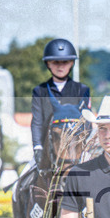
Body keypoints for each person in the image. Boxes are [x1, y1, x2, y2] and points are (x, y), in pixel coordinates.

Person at [31, 38, 91, 173]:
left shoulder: (82, 90)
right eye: (55, 62)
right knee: (25, 173)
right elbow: (37, 122)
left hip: (76, 148)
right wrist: (37, 147)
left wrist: (83, 145)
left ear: (71, 63)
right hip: (48, 149)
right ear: (48, 64)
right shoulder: (40, 91)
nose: (60, 66)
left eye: (65, 62)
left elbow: (88, 121)